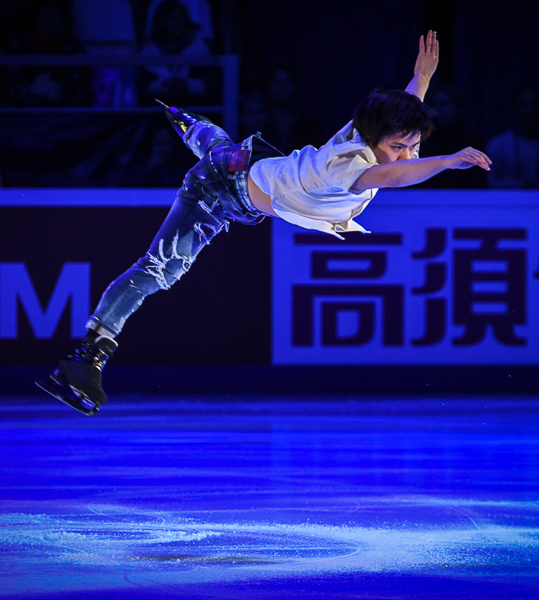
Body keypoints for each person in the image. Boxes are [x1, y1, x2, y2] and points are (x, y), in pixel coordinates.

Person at [37, 31, 492, 416]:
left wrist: (424, 79)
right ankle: (88, 356)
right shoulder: (348, 165)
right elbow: (394, 176)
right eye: (401, 146)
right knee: (160, 270)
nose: (408, 154)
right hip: (219, 188)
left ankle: (193, 126)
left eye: (413, 147)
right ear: (372, 140)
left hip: (247, 176)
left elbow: (401, 127)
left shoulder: (369, 133)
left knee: (219, 149)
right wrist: (447, 160)